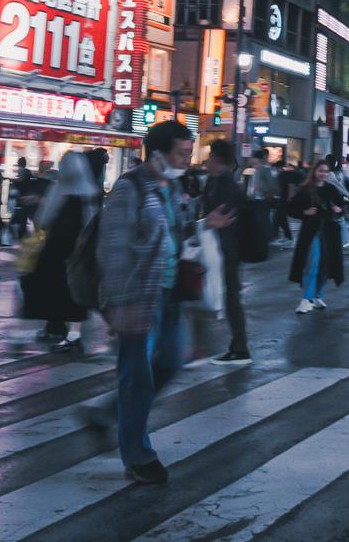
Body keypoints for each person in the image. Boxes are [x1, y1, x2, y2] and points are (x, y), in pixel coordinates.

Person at [96, 119, 231, 485]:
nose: (188, 160)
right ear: (157, 153)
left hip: (169, 293)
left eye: (190, 153)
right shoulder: (129, 190)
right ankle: (137, 454)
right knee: (137, 377)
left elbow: (174, 233)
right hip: (140, 296)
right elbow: (113, 249)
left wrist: (204, 224)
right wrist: (119, 303)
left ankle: (113, 417)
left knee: (171, 361)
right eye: (182, 153)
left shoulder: (168, 188)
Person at [21, 151, 99, 352]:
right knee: (75, 292)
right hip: (80, 251)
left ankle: (55, 326)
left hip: (56, 249)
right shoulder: (90, 192)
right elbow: (93, 222)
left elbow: (42, 220)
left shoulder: (59, 190)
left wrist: (40, 206)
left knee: (52, 286)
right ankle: (74, 334)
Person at [199, 140, 251, 363]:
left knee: (230, 298)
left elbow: (223, 220)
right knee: (229, 298)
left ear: (218, 159)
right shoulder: (218, 182)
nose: (206, 161)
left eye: (209, 156)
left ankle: (240, 348)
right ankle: (238, 346)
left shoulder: (225, 186)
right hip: (223, 249)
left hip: (224, 251)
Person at [288, 158, 345, 315]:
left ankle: (317, 295)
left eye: (326, 172)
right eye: (321, 171)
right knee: (312, 262)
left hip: (329, 232)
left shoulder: (331, 189)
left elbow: (343, 205)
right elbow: (291, 208)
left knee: (325, 264)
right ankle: (306, 298)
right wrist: (305, 212)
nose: (323, 174)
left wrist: (338, 209)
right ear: (314, 171)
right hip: (312, 231)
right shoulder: (305, 190)